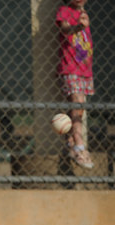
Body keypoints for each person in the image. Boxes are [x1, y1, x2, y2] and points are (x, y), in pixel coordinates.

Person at [56, 0, 94, 169]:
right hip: (70, 68)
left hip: (84, 70)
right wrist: (78, 27)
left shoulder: (83, 13)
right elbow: (65, 29)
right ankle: (79, 146)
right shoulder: (64, 10)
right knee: (77, 103)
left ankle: (70, 141)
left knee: (78, 108)